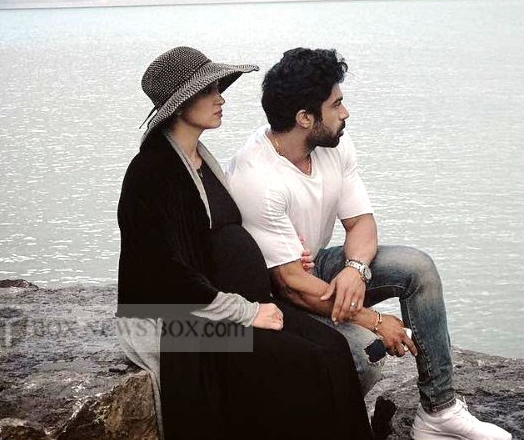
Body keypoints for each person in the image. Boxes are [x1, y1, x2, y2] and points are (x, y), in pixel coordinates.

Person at [226, 47, 512, 440]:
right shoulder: (257, 178)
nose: (345, 113)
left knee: (417, 268)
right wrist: (375, 321)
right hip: (273, 293)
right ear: (305, 118)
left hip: (312, 268)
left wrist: (355, 270)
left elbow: (361, 223)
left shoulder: (333, 144)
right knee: (366, 354)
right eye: (336, 104)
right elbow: (289, 284)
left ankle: (439, 411)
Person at [116, 46, 373, 440]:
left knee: (334, 349)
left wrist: (285, 254)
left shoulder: (200, 159)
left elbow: (223, 235)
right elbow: (166, 274)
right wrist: (245, 312)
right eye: (208, 91)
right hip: (179, 321)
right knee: (303, 362)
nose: (220, 98)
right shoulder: (153, 172)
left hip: (231, 302)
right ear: (180, 104)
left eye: (219, 88)